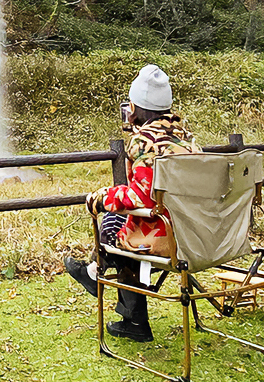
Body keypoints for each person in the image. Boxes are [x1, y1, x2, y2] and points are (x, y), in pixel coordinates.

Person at [65, 64, 199, 343]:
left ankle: (124, 308)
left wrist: (101, 197)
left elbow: (139, 197)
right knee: (123, 223)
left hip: (167, 238)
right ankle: (99, 281)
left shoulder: (144, 142)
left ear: (137, 108)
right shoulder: (188, 141)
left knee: (113, 225)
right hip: (198, 233)